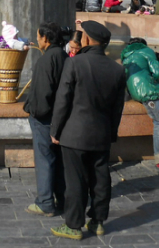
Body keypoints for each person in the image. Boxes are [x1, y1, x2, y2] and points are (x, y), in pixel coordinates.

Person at [49, 20, 126, 240]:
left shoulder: (75, 63)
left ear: (88, 39)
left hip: (74, 135)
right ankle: (98, 221)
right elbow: (117, 108)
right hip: (101, 134)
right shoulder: (118, 69)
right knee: (101, 179)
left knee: (75, 181)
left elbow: (63, 100)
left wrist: (55, 130)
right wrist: (111, 133)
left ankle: (74, 226)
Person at [121, 37, 159, 176]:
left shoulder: (126, 57)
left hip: (142, 90)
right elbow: (156, 70)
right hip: (147, 91)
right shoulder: (146, 50)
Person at [23, 22, 68, 217]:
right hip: (62, 117)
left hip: (44, 118)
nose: (37, 39)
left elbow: (42, 94)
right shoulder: (65, 57)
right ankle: (63, 198)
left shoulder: (45, 60)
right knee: (59, 161)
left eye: (39, 36)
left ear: (46, 39)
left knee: (44, 160)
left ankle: (45, 202)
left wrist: (34, 112)